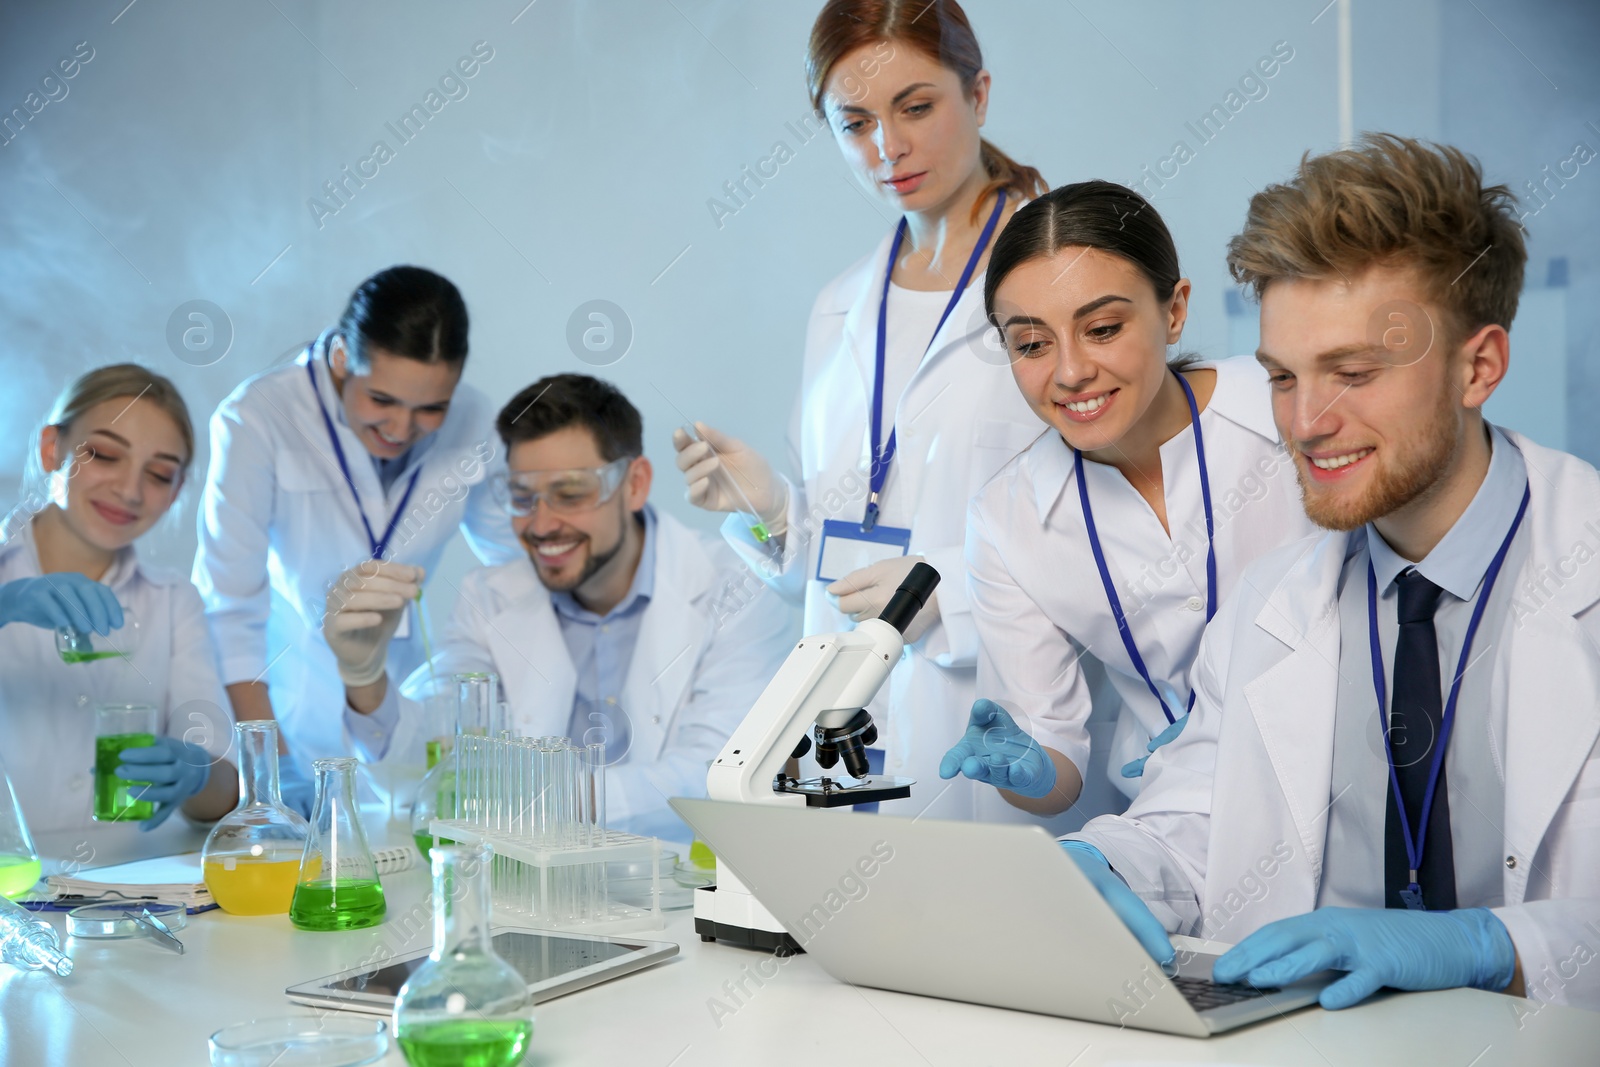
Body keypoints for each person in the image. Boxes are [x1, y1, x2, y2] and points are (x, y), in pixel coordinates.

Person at [1064, 135, 1599, 1012]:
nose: (1308, 422)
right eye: (1282, 376)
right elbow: (1198, 823)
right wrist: (1106, 862)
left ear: (1480, 365)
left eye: (1353, 372)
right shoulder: (1272, 605)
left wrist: (1493, 944)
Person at [671, 0, 1049, 821]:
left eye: (916, 107)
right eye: (855, 123)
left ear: (977, 94)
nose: (889, 148)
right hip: (850, 719)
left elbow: (1103, 525)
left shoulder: (1058, 279)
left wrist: (941, 591)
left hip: (1005, 707)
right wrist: (774, 508)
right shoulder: (840, 306)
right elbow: (853, 539)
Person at [937, 182, 1316, 819]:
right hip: (1177, 819)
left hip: (1351, 782)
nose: (1071, 372)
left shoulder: (1296, 410)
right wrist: (1025, 772)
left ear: (1174, 311)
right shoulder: (1008, 519)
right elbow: (1058, 771)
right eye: (1031, 343)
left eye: (1103, 328)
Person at [329, 375, 793, 840]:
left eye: (571, 494)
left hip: (680, 894)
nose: (543, 524)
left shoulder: (735, 591)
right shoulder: (488, 598)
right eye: (522, 497)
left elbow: (713, 777)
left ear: (634, 485)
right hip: (527, 898)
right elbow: (432, 764)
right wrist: (365, 679)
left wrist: (527, 799)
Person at [193, 266, 519, 802]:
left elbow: (512, 561)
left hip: (402, 706)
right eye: (382, 400)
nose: (399, 429)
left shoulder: (475, 418)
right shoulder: (258, 416)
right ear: (344, 356)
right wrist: (271, 774)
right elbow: (229, 610)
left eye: (431, 408)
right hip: (289, 703)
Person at [0, 365, 237, 833]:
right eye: (105, 455)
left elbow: (223, 794)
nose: (129, 491)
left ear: (175, 494)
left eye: (159, 474)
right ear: (53, 449)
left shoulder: (174, 601)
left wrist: (194, 772)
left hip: (136, 888)